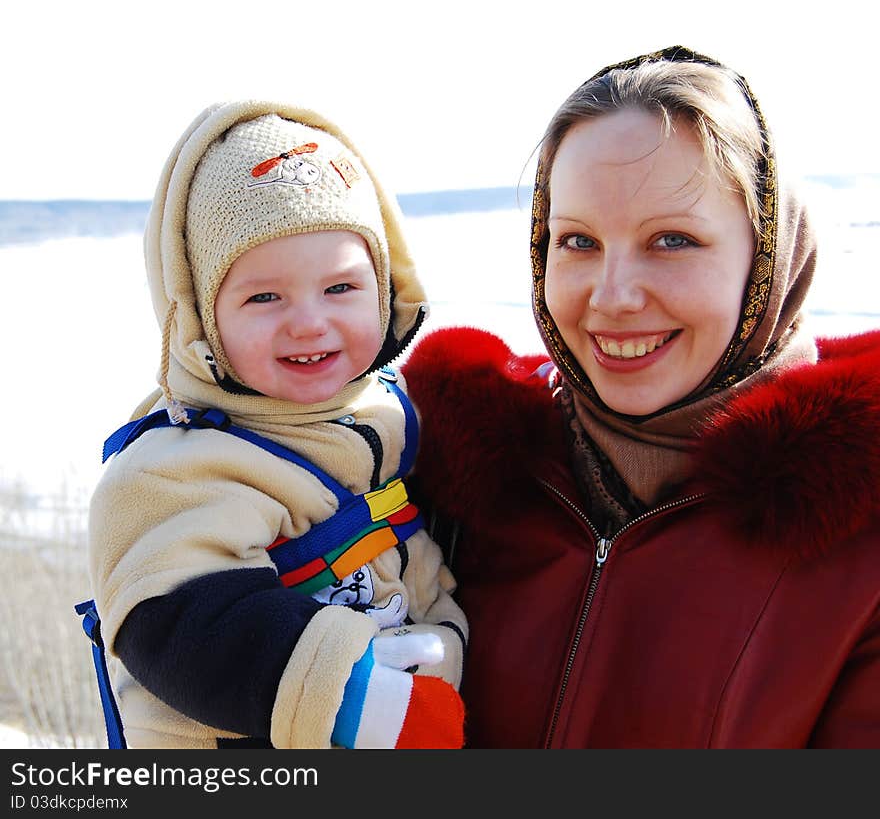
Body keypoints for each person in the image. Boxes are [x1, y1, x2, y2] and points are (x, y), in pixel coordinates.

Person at [403, 46, 880, 748]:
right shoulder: (449, 471)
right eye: (577, 242)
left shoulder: (857, 531)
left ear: (768, 257)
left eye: (672, 240)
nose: (613, 296)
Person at [87, 102, 467, 749]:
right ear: (203, 317)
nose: (309, 322)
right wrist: (357, 700)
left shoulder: (383, 417)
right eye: (264, 297)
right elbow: (185, 625)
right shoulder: (174, 469)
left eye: (342, 288)